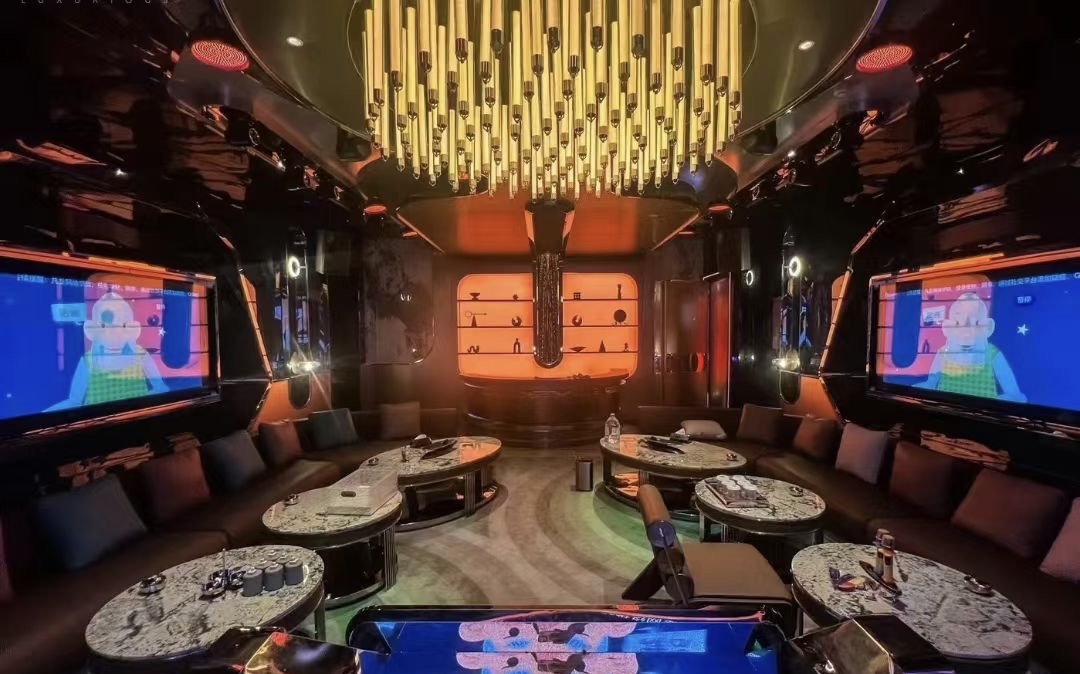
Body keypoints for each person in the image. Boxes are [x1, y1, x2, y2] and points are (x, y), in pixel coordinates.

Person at [46, 291, 169, 411]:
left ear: (131, 327)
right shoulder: (88, 361)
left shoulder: (140, 355)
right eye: (105, 326)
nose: (114, 333)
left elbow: (161, 388)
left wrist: (139, 405)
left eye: (122, 325)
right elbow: (75, 400)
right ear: (94, 329)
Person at [916, 292, 1026, 402]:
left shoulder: (993, 355)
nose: (966, 332)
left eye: (976, 323)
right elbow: (931, 382)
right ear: (948, 327)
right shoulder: (943, 352)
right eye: (958, 323)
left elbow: (1013, 394)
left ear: (988, 327)